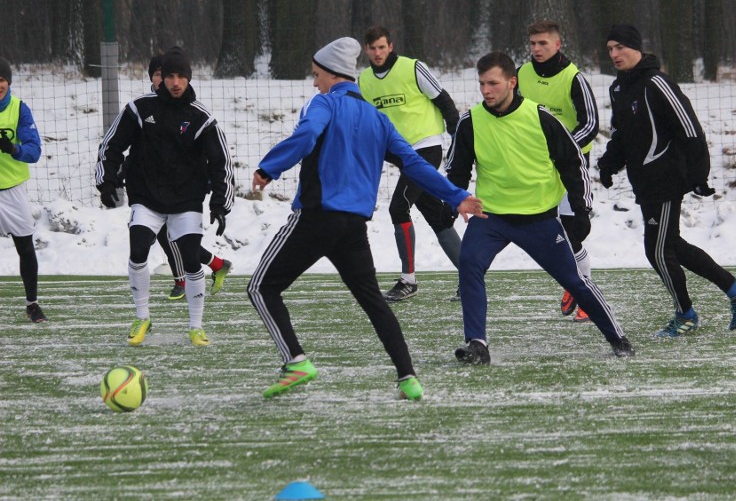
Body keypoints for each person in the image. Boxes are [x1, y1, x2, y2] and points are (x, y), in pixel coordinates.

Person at [247, 37, 485, 401]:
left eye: (316, 75)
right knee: (372, 301)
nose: (314, 83)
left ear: (330, 74)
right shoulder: (378, 118)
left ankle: (295, 361)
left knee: (260, 288)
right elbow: (415, 165)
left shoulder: (323, 103)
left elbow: (307, 134)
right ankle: (408, 377)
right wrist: (458, 196)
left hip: (316, 219)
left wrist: (269, 167)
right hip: (353, 230)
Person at [446, 51, 634, 364]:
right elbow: (456, 170)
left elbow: (573, 166)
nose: (486, 90)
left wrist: (580, 210)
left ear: (512, 82)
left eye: (493, 83)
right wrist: (456, 198)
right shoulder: (471, 122)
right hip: (490, 216)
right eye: (481, 84)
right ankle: (477, 343)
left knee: (574, 281)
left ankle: (617, 337)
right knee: (469, 263)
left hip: (539, 219)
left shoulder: (541, 118)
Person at [598, 24, 736, 337]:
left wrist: (699, 177)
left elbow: (691, 131)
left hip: (667, 179)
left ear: (636, 47)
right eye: (609, 50)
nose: (615, 55)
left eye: (619, 47)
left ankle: (686, 314)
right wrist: (608, 164)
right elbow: (622, 135)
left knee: (656, 250)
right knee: (673, 246)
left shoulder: (658, 83)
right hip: (643, 181)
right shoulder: (618, 89)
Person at [96, 46, 235, 347]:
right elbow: (112, 145)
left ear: (188, 78)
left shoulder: (201, 118)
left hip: (185, 200)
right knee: (138, 249)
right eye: (168, 75)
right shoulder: (139, 109)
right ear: (159, 79)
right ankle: (142, 316)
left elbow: (220, 162)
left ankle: (196, 327)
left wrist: (220, 203)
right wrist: (106, 180)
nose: (174, 82)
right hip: (146, 197)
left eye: (180, 76)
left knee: (189, 258)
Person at [358, 26, 462, 302]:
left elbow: (443, 100)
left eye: (382, 47)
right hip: (403, 156)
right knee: (437, 216)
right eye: (373, 48)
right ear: (366, 50)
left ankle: (408, 281)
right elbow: (370, 123)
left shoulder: (413, 68)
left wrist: (458, 136)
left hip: (426, 149)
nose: (378, 53)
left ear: (390, 46)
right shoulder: (365, 81)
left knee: (398, 207)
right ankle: (471, 276)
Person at [517, 20, 600, 323]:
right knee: (549, 232)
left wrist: (561, 150)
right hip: (535, 167)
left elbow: (591, 124)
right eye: (533, 43)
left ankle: (585, 294)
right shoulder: (521, 75)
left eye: (543, 44)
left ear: (557, 44)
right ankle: (573, 281)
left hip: (570, 167)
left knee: (573, 229)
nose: (537, 49)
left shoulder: (573, 77)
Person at [144, 55, 232, 301]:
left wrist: (212, 187)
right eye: (160, 74)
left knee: (175, 235)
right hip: (155, 186)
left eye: (172, 75)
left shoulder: (191, 109)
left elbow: (207, 150)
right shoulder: (145, 107)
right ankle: (214, 265)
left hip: (184, 187)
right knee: (168, 235)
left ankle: (183, 280)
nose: (167, 80)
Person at [0, 56, 47, 323]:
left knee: (25, 248)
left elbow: (35, 150)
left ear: (8, 82)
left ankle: (32, 304)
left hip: (12, 190)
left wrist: (14, 149)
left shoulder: (19, 109)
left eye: (2, 80)